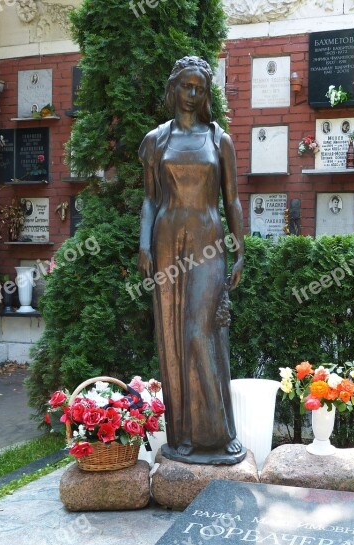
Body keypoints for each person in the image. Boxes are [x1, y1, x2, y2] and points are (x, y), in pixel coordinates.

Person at [138, 56, 245, 465]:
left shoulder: (220, 139)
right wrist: (144, 244)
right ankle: (183, 435)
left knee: (199, 330)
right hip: (167, 242)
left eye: (200, 87)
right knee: (172, 337)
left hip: (208, 243)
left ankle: (217, 432)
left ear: (206, 93)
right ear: (174, 88)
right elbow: (150, 199)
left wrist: (240, 249)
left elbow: (232, 199)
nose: (193, 93)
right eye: (187, 86)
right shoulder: (156, 141)